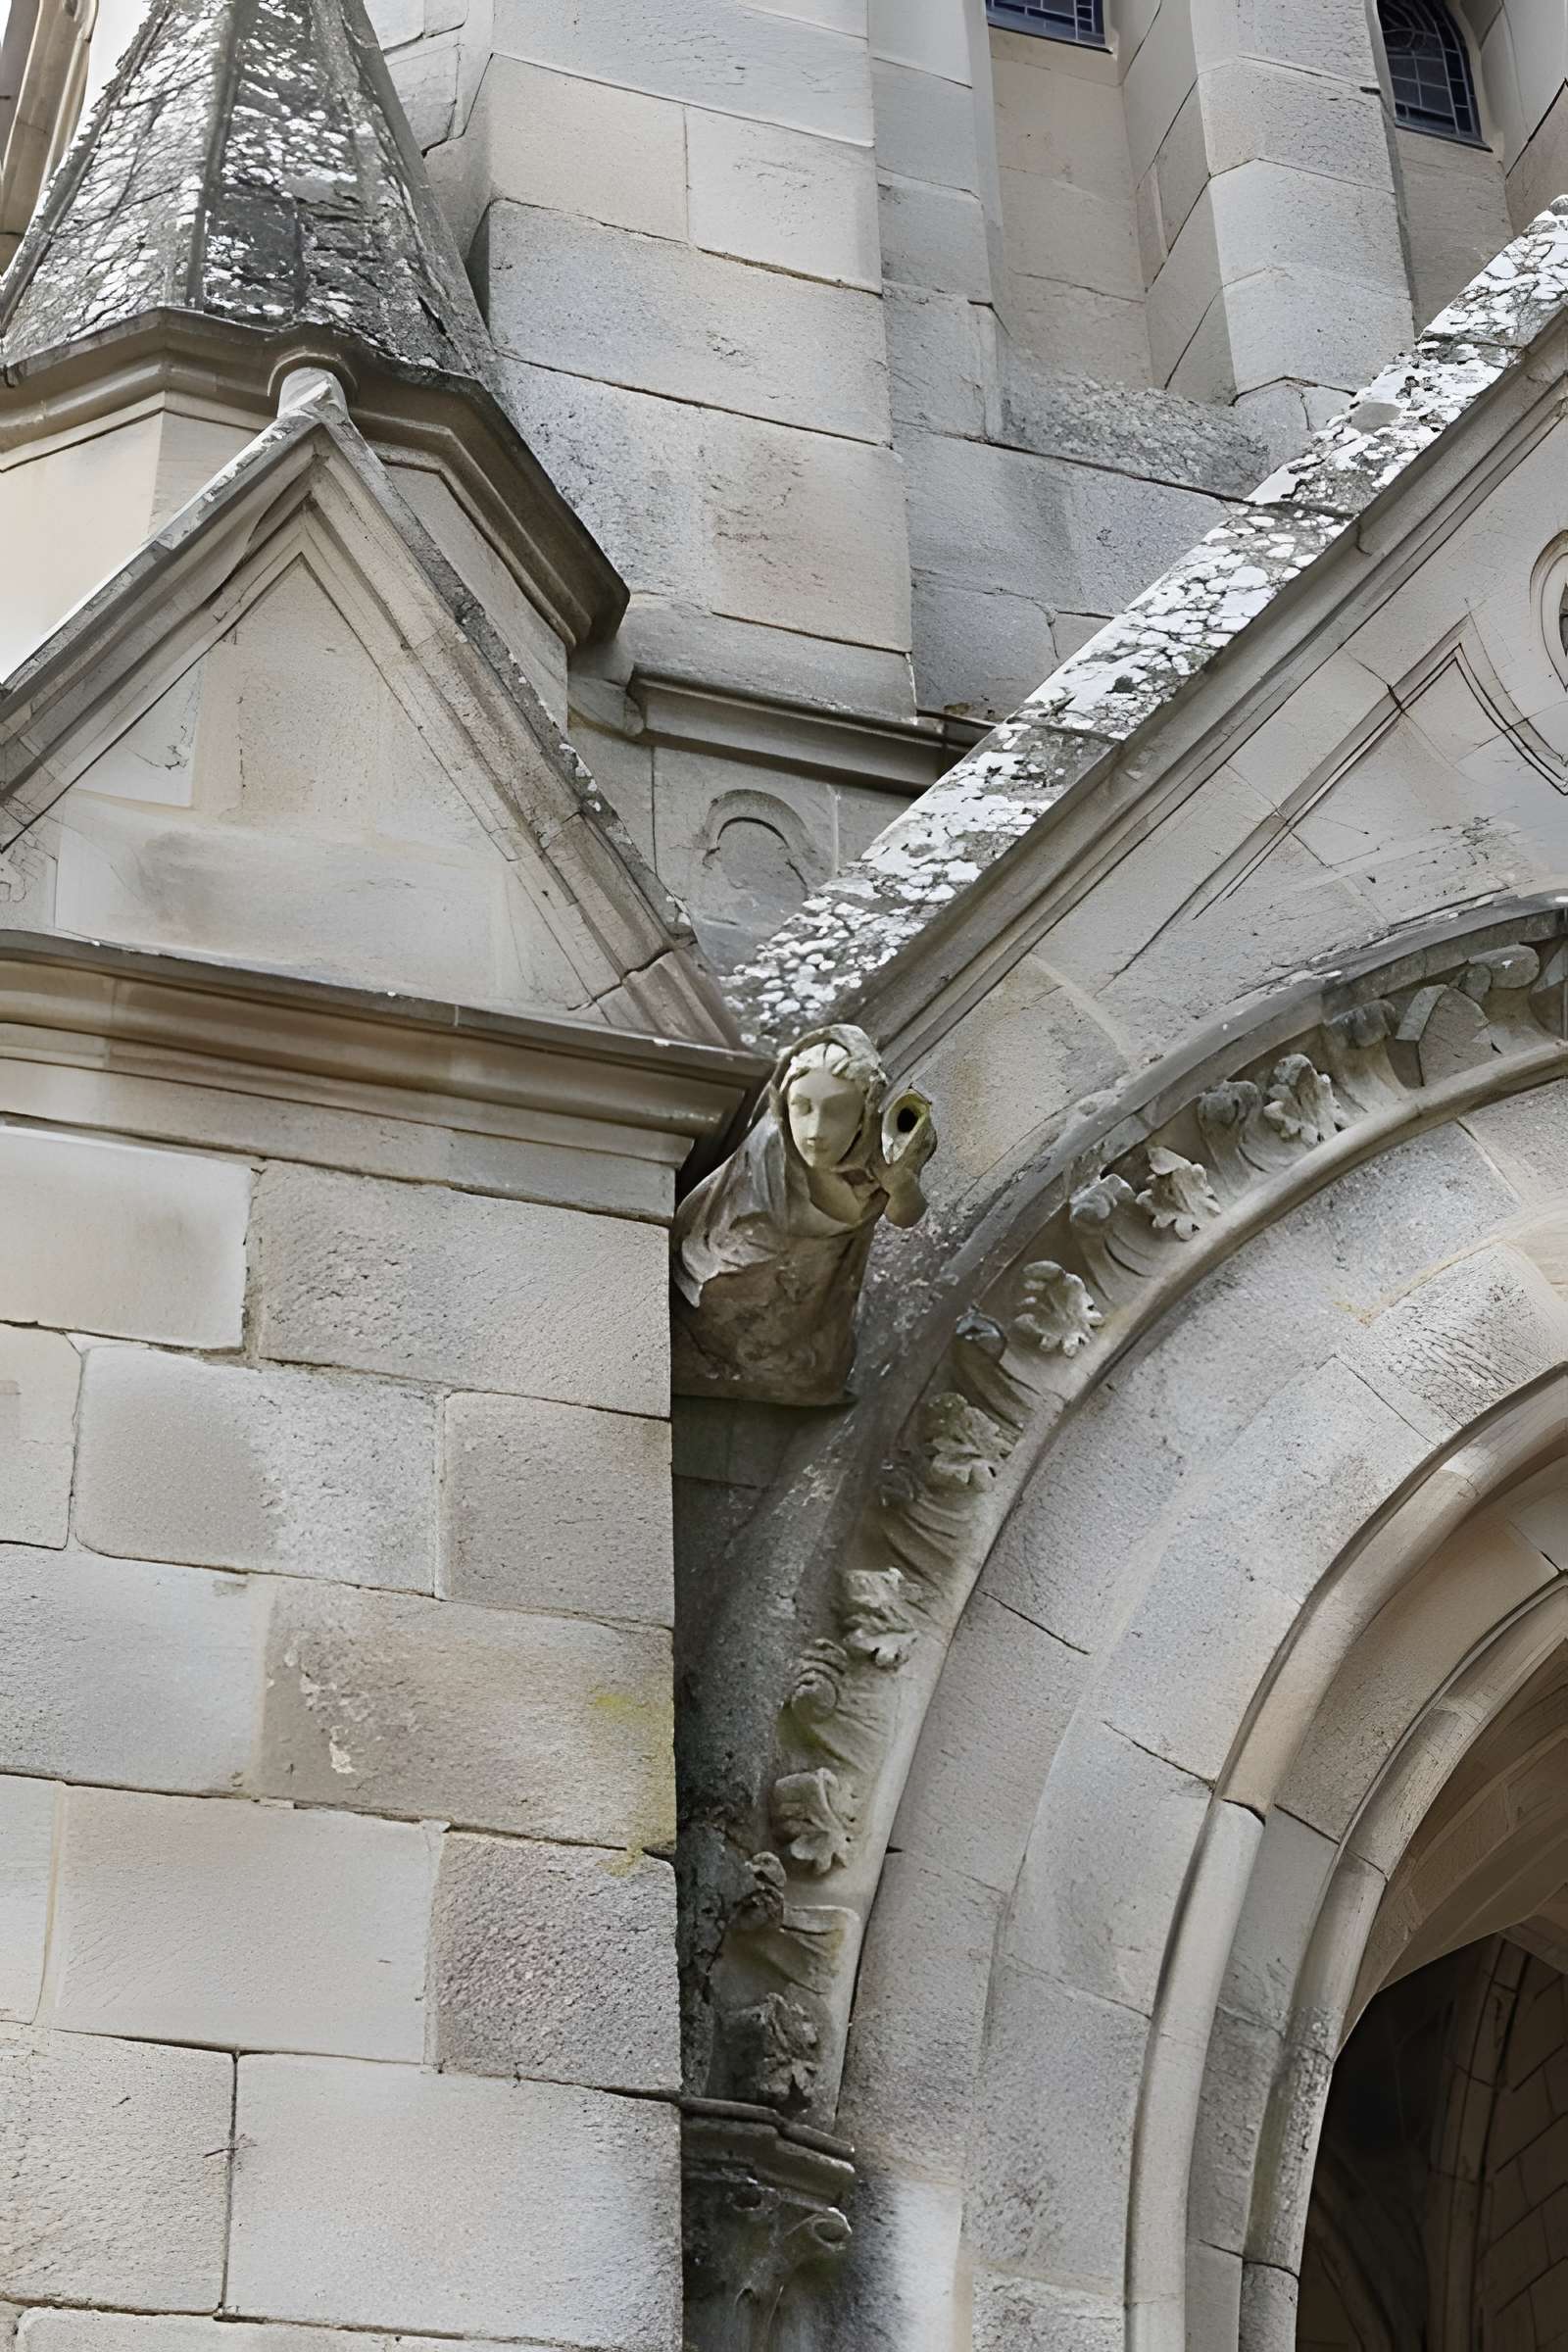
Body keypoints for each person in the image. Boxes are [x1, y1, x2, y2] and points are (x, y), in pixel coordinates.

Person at [672, 1024, 937, 1404]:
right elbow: (734, 1245)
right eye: (802, 1108)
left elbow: (904, 1215)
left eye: (836, 1112)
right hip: (746, 1272)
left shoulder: (889, 1149)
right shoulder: (770, 1152)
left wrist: (901, 1185)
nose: (815, 1131)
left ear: (864, 1113)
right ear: (783, 1105)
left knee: (805, 1366)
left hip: (819, 1289)